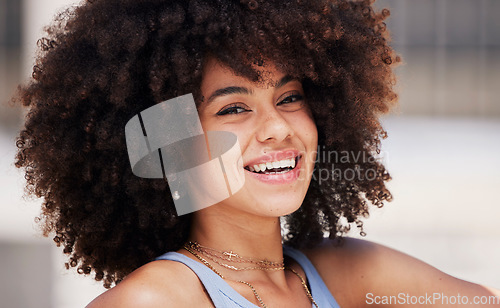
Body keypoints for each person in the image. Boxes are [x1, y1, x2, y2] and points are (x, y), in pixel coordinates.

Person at [14, 0, 499, 307]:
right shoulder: (155, 301)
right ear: (173, 144)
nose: (276, 128)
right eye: (234, 108)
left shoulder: (347, 271)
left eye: (289, 98)